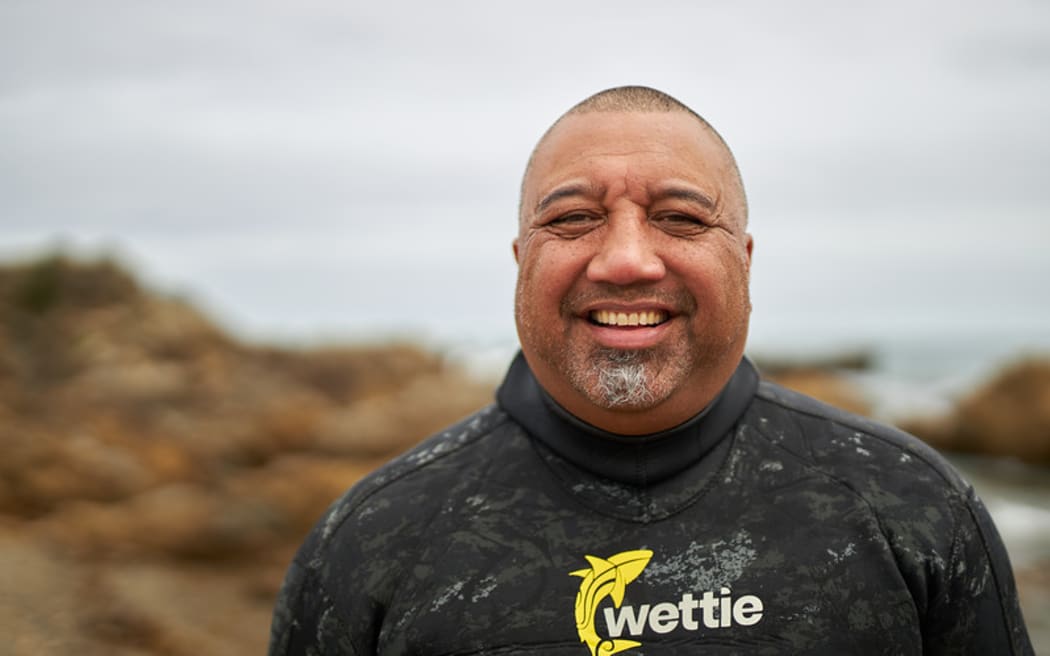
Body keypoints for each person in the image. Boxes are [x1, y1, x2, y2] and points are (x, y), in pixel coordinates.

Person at [268, 86, 1033, 655]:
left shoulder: (914, 508)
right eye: (572, 218)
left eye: (680, 217)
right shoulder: (371, 540)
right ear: (520, 263)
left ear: (744, 261)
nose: (627, 259)